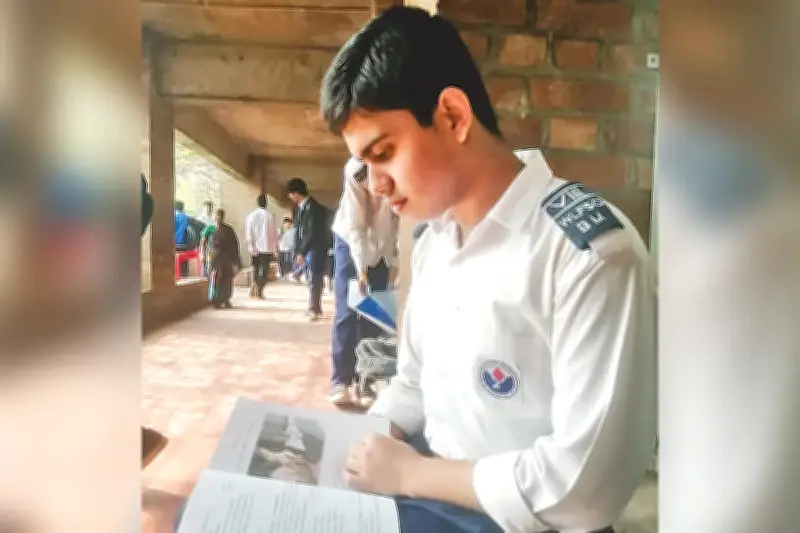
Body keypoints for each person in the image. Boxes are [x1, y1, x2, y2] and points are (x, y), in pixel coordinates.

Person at [320, 6, 655, 533]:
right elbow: (414, 385)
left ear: (453, 116)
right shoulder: (434, 244)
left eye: (383, 153)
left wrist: (411, 474)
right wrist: (351, 449)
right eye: (365, 165)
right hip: (431, 498)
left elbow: (584, 490)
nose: (376, 185)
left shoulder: (586, 254)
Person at [329, 157, 398, 407]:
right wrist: (360, 269)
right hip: (350, 241)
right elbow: (356, 225)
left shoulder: (403, 165)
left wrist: (393, 261)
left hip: (382, 245)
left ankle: (366, 379)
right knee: (347, 311)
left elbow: (399, 223)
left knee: (373, 314)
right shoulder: (356, 169)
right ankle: (341, 380)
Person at [286, 178, 330, 321]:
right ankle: (314, 307)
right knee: (312, 277)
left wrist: (302, 251)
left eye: (290, 194)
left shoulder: (312, 208)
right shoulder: (302, 208)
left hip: (314, 248)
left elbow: (311, 232)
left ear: (295, 193)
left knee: (314, 277)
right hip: (309, 248)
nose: (290, 197)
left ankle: (314, 309)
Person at [244, 194, 280, 299]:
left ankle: (254, 285)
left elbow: (249, 231)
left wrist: (250, 244)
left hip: (255, 247)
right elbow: (274, 234)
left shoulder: (251, 215)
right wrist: (275, 247)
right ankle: (259, 289)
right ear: (266, 203)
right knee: (264, 270)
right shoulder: (270, 216)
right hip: (266, 248)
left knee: (255, 268)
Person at [208, 208, 242, 309]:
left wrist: (236, 260)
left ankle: (226, 299)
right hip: (215, 257)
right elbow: (205, 242)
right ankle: (215, 300)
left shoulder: (228, 230)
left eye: (220, 216)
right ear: (213, 217)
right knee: (216, 279)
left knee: (227, 278)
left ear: (223, 217)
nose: (218, 218)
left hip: (226, 257)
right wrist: (207, 256)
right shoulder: (210, 229)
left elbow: (234, 245)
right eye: (216, 215)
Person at [174, 200, 190, 277]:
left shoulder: (172, 217)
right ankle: (184, 276)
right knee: (183, 262)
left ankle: (175, 277)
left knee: (174, 262)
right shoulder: (186, 217)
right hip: (184, 243)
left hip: (174, 243)